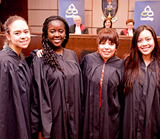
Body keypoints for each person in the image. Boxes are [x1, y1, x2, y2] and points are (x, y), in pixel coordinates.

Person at [30, 15, 83, 139]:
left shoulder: (72, 55)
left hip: (73, 114)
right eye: (52, 31)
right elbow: (38, 94)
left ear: (65, 34)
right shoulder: (40, 59)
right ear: (46, 34)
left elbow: (80, 87)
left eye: (61, 31)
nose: (57, 35)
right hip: (54, 117)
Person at [80, 28, 124, 139]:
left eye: (111, 44)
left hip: (111, 116)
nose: (106, 47)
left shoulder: (121, 65)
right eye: (103, 43)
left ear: (116, 46)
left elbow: (123, 95)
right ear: (98, 45)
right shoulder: (88, 60)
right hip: (89, 115)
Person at [123, 25, 160, 139]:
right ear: (135, 43)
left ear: (154, 39)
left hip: (154, 123)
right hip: (130, 124)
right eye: (140, 40)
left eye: (148, 39)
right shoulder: (128, 63)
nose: (144, 44)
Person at [0, 15, 32, 139]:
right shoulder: (4, 62)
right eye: (17, 33)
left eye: (26, 32)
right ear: (8, 36)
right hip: (10, 123)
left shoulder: (19, 57)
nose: (23, 36)